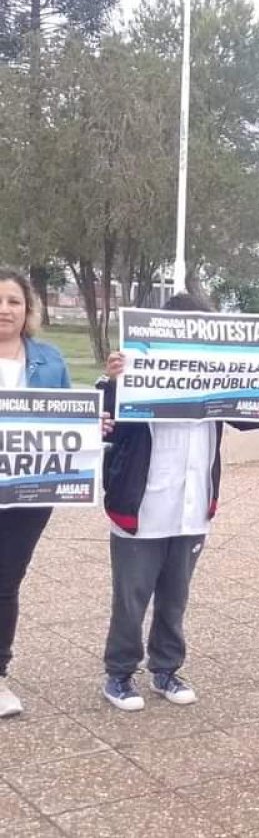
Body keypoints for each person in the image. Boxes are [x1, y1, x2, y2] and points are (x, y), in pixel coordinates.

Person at [98, 293, 259, 712]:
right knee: (131, 596)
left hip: (193, 503)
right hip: (141, 506)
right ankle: (120, 674)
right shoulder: (133, 372)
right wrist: (115, 381)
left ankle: (166, 668)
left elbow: (250, 418)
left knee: (175, 596)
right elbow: (107, 427)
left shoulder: (218, 373)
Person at [0, 270, 73, 718]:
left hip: (28, 492)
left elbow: (66, 417)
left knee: (5, 584)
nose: (4, 309)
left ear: (28, 310)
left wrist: (91, 429)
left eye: (13, 301)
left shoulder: (49, 359)